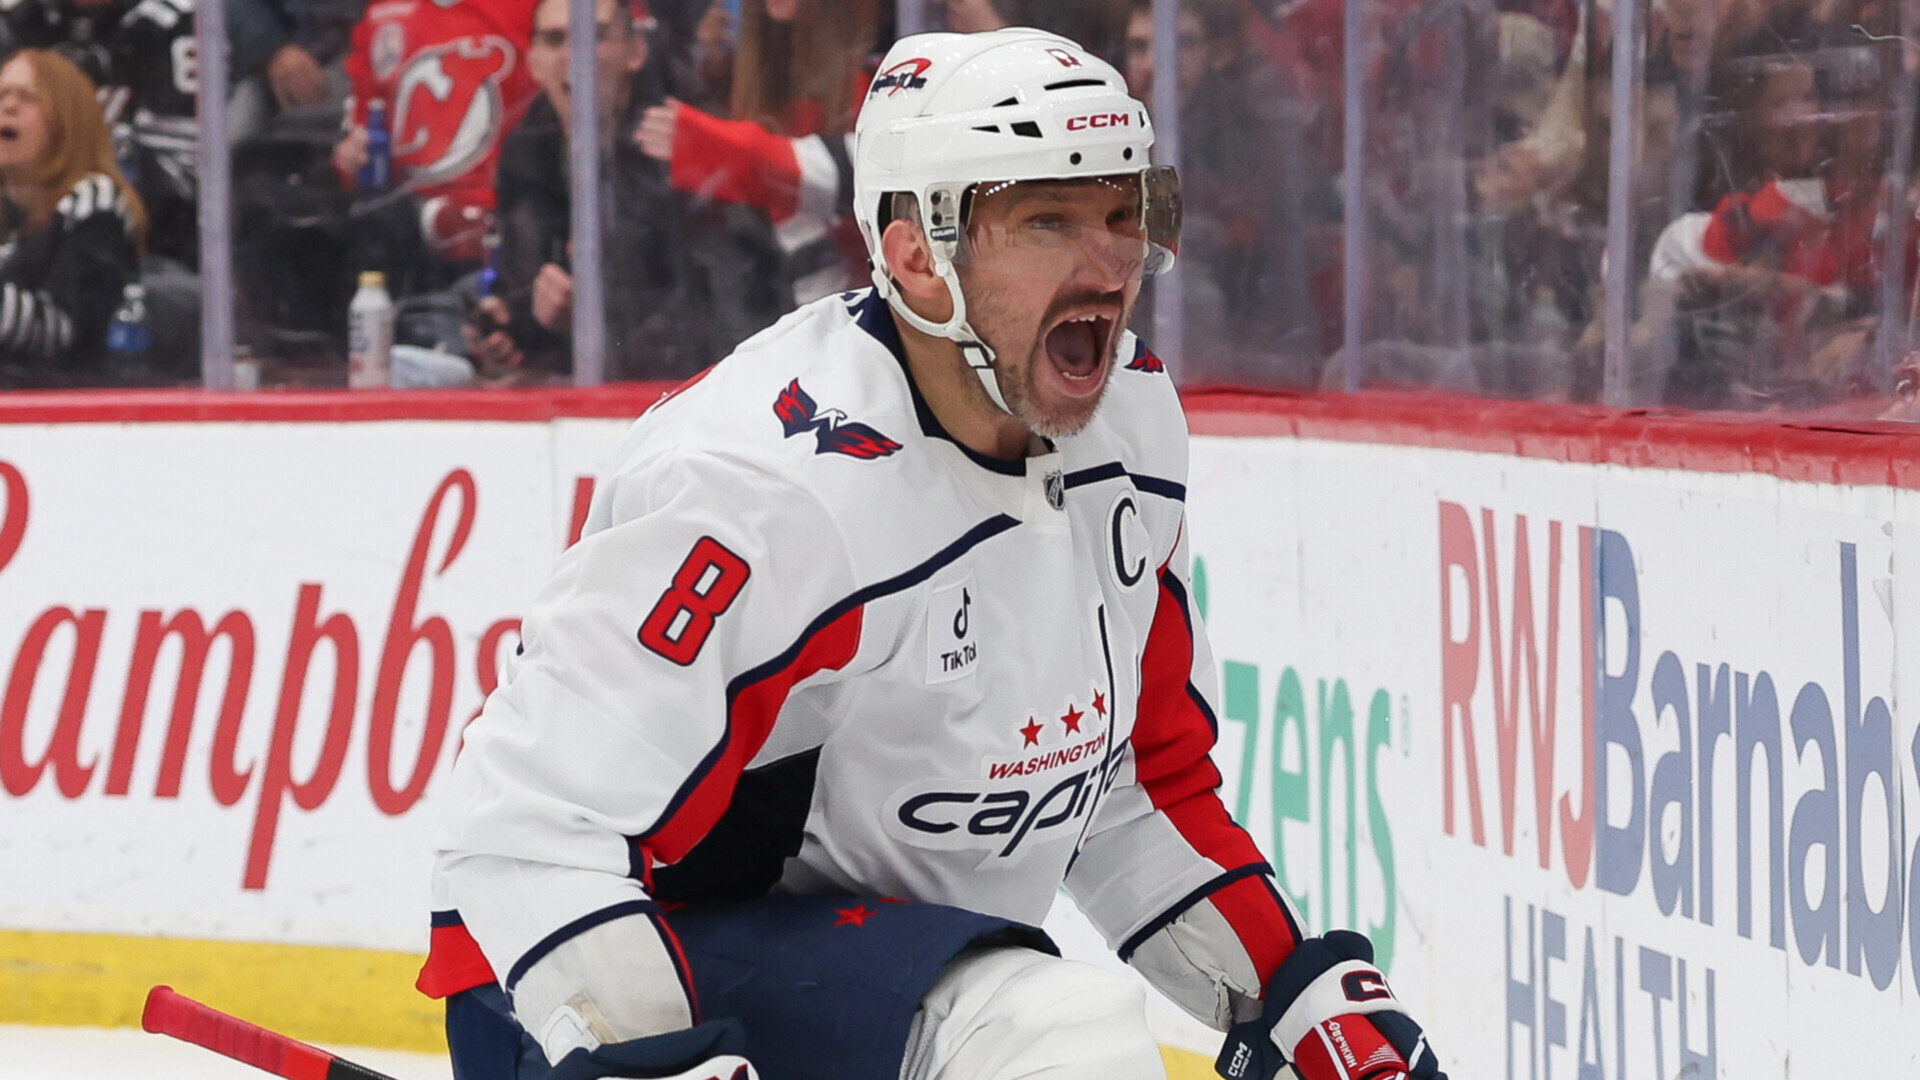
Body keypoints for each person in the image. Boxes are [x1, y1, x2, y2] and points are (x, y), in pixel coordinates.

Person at [417, 27, 1448, 1080]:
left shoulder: (1129, 425)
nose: (1108, 266)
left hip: (865, 978)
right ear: (917, 256)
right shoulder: (766, 490)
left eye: (1122, 214)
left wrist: (1292, 998)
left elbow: (1132, 789)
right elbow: (527, 825)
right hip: (579, 981)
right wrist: (648, 1056)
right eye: (1047, 221)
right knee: (1053, 1035)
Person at [464, 0, 783, 382]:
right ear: (532, 62)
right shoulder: (527, 150)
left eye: (595, 37)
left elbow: (734, 323)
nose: (573, 56)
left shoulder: (688, 147)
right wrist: (511, 327)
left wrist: (597, 323)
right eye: (554, 40)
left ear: (636, 52)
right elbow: (525, 288)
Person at [0, 0, 197, 266]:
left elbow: (187, 177)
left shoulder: (170, 23)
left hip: (151, 246)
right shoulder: (17, 19)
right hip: (22, 233)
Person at [0, 48, 147, 388]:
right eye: (2, 94)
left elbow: (67, 331)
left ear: (68, 120)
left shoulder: (95, 203)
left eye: (28, 98)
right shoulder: (10, 216)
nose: (8, 107)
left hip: (72, 404)